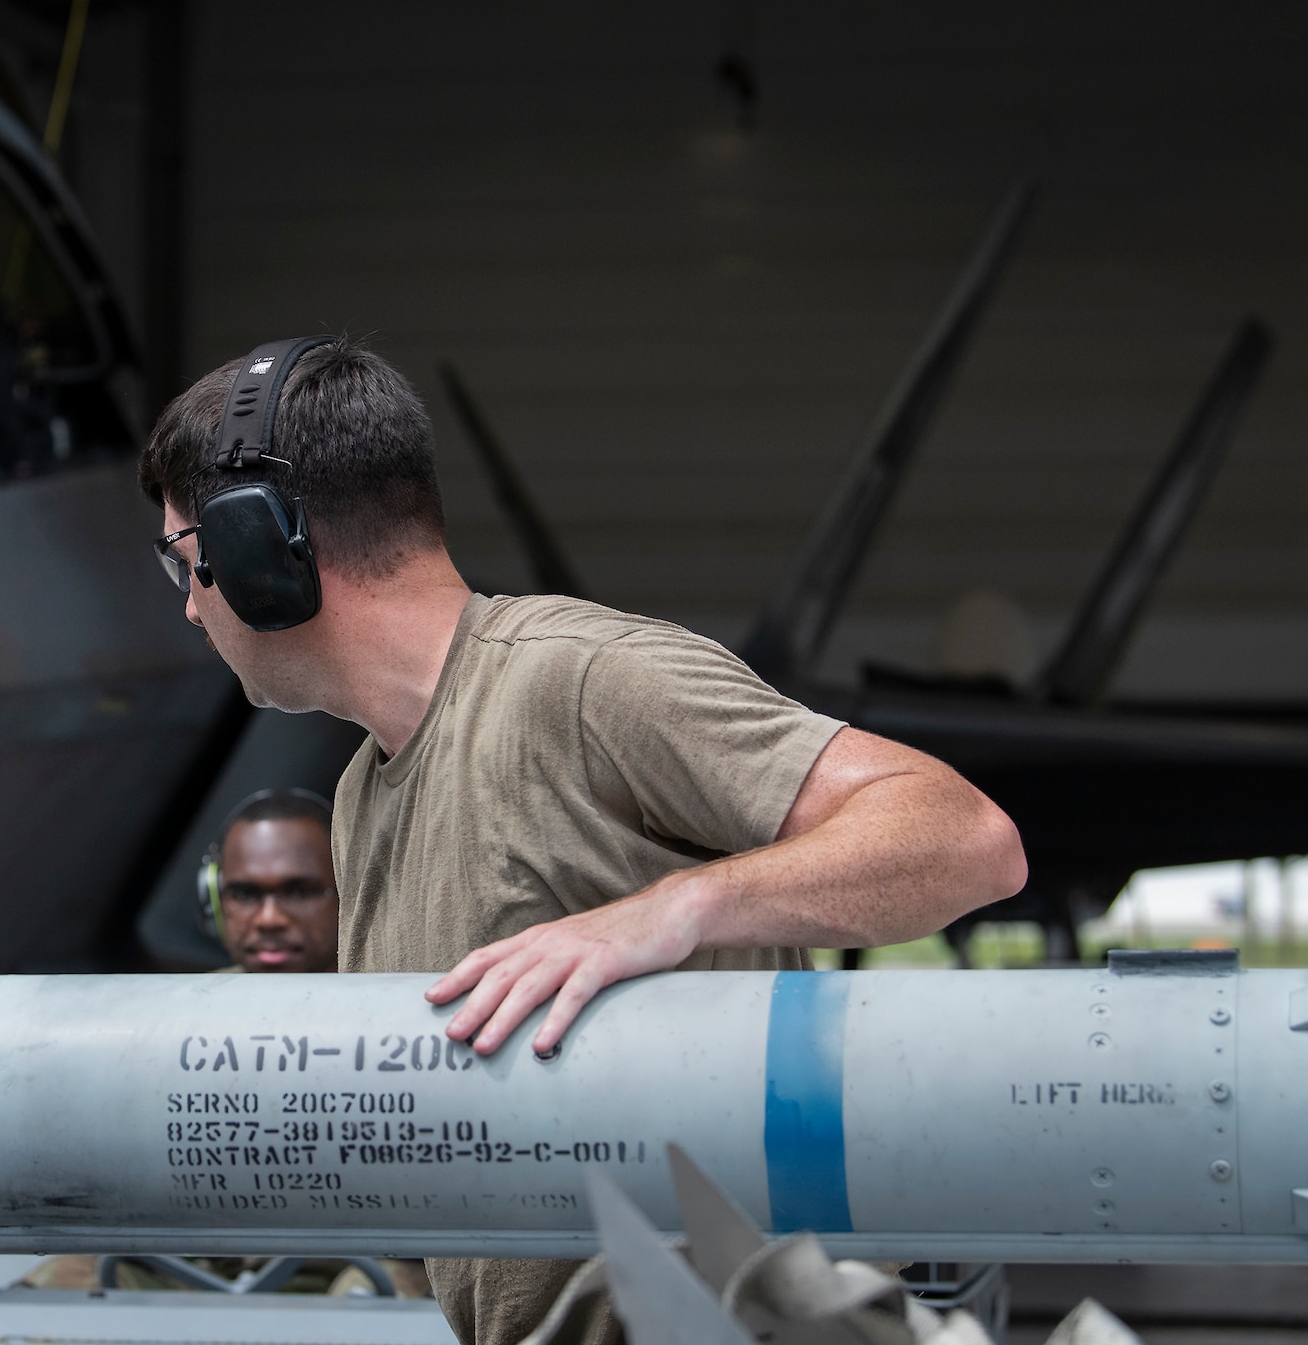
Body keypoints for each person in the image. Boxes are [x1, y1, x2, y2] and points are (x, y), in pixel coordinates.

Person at [139, 337, 1026, 1345]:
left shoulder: (579, 681)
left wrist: (671, 911)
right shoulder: (360, 795)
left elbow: (964, 836)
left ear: (260, 552)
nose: (186, 603)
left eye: (186, 561)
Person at [199, 789, 340, 974]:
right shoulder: (191, 999)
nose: (269, 919)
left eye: (300, 893)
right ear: (213, 900)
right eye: (244, 894)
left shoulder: (386, 996)